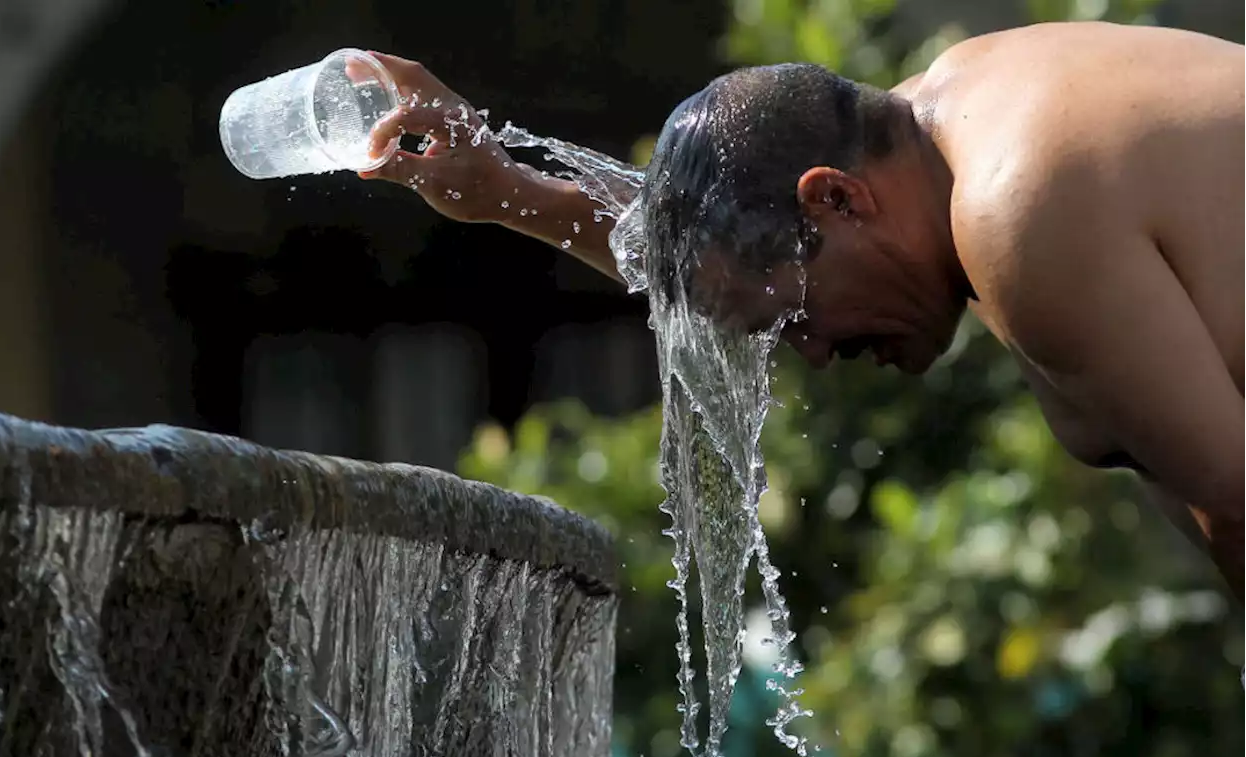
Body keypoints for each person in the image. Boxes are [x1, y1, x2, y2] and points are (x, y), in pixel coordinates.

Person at [353, 21, 1246, 600]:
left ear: (839, 202)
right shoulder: (958, 108)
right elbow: (732, 252)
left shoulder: (1018, 215)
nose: (813, 353)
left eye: (792, 321)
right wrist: (507, 189)